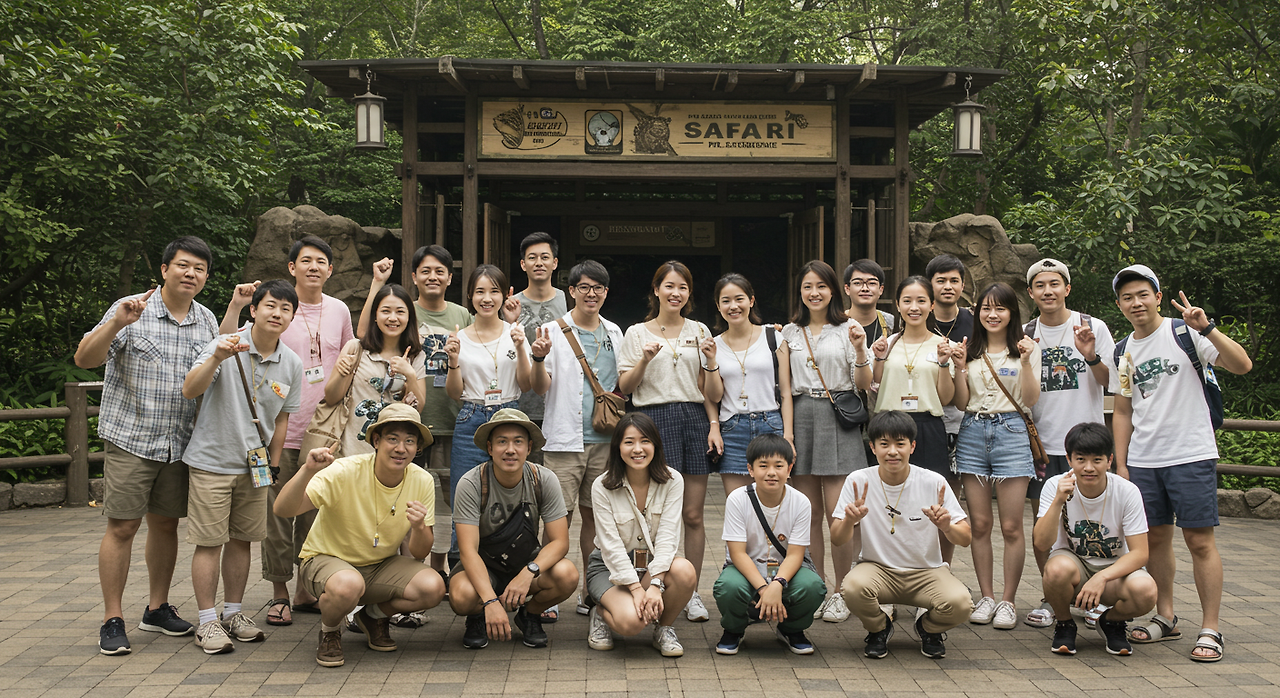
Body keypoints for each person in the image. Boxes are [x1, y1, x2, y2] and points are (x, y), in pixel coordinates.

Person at [75, 236, 221, 655]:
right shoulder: (131, 309)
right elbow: (85, 359)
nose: (191, 274)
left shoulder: (206, 320)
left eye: (199, 268)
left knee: (165, 524)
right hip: (132, 438)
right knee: (122, 526)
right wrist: (116, 324)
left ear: (206, 277)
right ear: (164, 269)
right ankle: (112, 618)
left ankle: (157, 608)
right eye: (183, 265)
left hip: (180, 443)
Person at [1111, 264, 1252, 662]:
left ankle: (1210, 628)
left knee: (1199, 541)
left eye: (1143, 294)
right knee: (1154, 539)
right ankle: (1166, 616)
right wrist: (1122, 464)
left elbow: (1242, 365)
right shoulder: (1122, 349)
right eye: (1127, 297)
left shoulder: (1186, 332)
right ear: (1119, 305)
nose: (1136, 303)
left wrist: (1207, 328)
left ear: (1158, 297)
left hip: (1191, 453)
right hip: (1144, 459)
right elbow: (1122, 410)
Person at [219, 236, 355, 626]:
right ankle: (279, 592)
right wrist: (236, 306)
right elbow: (227, 342)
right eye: (306, 260)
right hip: (276, 431)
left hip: (324, 431)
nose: (314, 267)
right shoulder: (277, 307)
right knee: (276, 517)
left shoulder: (339, 310)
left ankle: (306, 590)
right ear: (292, 267)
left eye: (321, 261)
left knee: (316, 515)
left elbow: (352, 356)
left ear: (331, 270)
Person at [180, 280, 304, 654]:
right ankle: (207, 621)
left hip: (255, 467)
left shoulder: (292, 363)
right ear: (254, 310)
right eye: (270, 305)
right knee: (209, 542)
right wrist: (216, 357)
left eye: (285, 308)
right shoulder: (226, 344)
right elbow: (190, 389)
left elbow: (282, 419)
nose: (277, 313)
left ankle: (233, 613)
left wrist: (274, 465)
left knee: (242, 540)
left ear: (292, 317)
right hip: (213, 462)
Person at [274, 404, 447, 667]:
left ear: (417, 448)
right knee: (348, 585)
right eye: (392, 439)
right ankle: (330, 631)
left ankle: (372, 616)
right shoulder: (345, 470)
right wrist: (307, 470)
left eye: (410, 441)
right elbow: (283, 510)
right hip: (326, 560)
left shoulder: (421, 479)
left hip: (379, 565)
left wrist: (419, 527)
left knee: (433, 587)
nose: (401, 448)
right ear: (376, 441)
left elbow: (420, 552)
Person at [617, 260, 716, 622]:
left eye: (683, 287)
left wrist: (713, 424)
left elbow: (707, 387)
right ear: (656, 290)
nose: (676, 293)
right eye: (669, 286)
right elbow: (625, 387)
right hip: (654, 420)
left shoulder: (700, 330)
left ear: (689, 293)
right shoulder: (636, 333)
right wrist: (644, 361)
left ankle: (691, 592)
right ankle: (656, 585)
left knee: (692, 514)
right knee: (659, 515)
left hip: (694, 418)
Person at [830, 411, 973, 659]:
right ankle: (879, 628)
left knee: (961, 604)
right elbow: (836, 538)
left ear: (912, 446)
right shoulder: (859, 480)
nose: (892, 452)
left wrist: (947, 527)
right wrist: (850, 522)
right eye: (884, 444)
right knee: (851, 587)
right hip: (878, 570)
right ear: (873, 448)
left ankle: (928, 629)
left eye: (900, 444)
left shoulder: (933, 482)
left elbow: (966, 538)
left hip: (926, 572)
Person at [1021, 258, 1117, 628]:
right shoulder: (1026, 333)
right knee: (1044, 526)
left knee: (1093, 523)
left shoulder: (1093, 326)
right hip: (1042, 447)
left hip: (1086, 448)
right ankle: (1052, 596)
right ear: (1031, 293)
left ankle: (1094, 598)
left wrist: (1090, 355)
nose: (1048, 291)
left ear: (1067, 288)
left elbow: (1111, 382)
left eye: (1054, 284)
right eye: (1040, 285)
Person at [529, 259, 624, 618]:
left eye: (598, 287)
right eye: (584, 287)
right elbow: (541, 388)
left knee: (596, 521)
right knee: (558, 520)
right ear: (571, 291)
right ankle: (547, 591)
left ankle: (591, 591)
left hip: (605, 441)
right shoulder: (552, 331)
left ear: (606, 292)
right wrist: (538, 359)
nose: (591, 294)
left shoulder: (615, 332)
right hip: (564, 441)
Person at [781, 260, 872, 623]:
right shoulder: (789, 332)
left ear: (833, 290)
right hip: (802, 414)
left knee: (841, 513)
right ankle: (816, 587)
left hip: (839, 416)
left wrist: (861, 350)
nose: (814, 292)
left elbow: (863, 384)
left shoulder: (849, 328)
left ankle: (843, 589)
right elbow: (785, 390)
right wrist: (788, 436)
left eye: (821, 286)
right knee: (808, 513)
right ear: (799, 292)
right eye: (807, 286)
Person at [447, 409, 579, 649]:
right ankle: (477, 616)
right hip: (484, 564)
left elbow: (560, 542)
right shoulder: (471, 483)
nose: (510, 449)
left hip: (524, 561)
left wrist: (529, 573)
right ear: (489, 448)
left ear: (529, 448)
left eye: (518, 442)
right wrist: (490, 601)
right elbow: (467, 551)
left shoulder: (543, 479)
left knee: (567, 574)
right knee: (461, 595)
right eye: (502, 442)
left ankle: (530, 614)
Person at [951, 282, 1040, 630]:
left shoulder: (1025, 349)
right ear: (977, 313)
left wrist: (1027, 361)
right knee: (980, 524)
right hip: (973, 430)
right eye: (986, 308)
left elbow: (1030, 400)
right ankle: (986, 596)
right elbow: (961, 403)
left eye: (1000, 308)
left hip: (1012, 431)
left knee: (1011, 526)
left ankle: (1008, 600)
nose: (992, 314)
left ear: (1012, 313)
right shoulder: (970, 351)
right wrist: (960, 367)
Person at [1033, 422, 1156, 656]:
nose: (1088, 468)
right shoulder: (1055, 485)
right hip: (1073, 566)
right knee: (1055, 570)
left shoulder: (1127, 491)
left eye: (1097, 460)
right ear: (1069, 459)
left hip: (1114, 573)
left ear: (1109, 461)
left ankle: (1111, 622)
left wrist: (1102, 577)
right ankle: (1065, 623)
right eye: (1080, 459)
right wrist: (1058, 500)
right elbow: (1041, 543)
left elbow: (1140, 553)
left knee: (1146, 590)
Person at [586, 413, 697, 655]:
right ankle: (600, 612)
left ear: (655, 445)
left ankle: (664, 628)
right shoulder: (602, 485)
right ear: (618, 447)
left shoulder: (673, 480)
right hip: (609, 568)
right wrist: (636, 590)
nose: (638, 449)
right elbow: (610, 547)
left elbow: (668, 538)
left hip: (652, 566)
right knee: (631, 624)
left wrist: (655, 584)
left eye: (645, 441)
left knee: (685, 571)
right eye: (629, 442)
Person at [712, 433, 826, 655]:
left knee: (813, 586)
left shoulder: (801, 502)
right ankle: (734, 630)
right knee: (728, 587)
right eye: (763, 465)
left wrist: (778, 584)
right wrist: (764, 588)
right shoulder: (737, 499)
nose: (771, 472)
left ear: (789, 469)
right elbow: (737, 553)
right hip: (746, 569)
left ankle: (792, 629)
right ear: (751, 469)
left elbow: (795, 554)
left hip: (786, 570)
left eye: (778, 465)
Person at [869, 276, 957, 562]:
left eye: (921, 301)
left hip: (928, 428)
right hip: (888, 427)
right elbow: (874, 384)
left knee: (934, 503)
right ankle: (889, 568)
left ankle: (938, 568)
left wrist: (943, 363)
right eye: (907, 301)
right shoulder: (886, 344)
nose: (914, 307)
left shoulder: (944, 345)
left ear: (932, 305)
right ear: (897, 305)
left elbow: (947, 398)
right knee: (888, 503)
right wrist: (879, 358)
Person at [446, 264, 533, 506]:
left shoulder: (515, 333)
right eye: (480, 292)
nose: (487, 299)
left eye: (494, 291)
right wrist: (453, 361)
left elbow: (526, 385)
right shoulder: (459, 338)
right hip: (471, 417)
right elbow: (454, 393)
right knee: (464, 495)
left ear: (505, 295)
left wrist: (520, 347)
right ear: (470, 295)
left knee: (510, 496)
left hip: (509, 414)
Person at [704, 273, 793, 495]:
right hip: (732, 428)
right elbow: (713, 397)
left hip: (771, 424)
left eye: (739, 299)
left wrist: (788, 437)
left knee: (773, 503)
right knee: (737, 503)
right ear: (718, 306)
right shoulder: (713, 346)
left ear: (751, 301)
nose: (733, 306)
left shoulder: (773, 337)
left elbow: (786, 393)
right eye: (726, 301)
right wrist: (712, 361)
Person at [327, 284, 426, 457]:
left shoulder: (416, 356)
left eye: (400, 312)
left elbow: (417, 410)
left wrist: (410, 375)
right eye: (386, 311)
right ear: (375, 315)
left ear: (409, 316)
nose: (393, 318)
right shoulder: (355, 348)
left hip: (394, 455)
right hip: (351, 452)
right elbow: (331, 397)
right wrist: (342, 373)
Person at [514, 232, 568, 429]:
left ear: (554, 263)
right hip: (519, 402)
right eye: (532, 258)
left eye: (545, 257)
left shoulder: (569, 301)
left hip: (560, 399)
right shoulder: (512, 305)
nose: (539, 263)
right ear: (523, 264)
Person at [926, 254, 974, 467]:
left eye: (954, 281)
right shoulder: (917, 319)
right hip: (926, 412)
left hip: (965, 415)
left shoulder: (976, 321)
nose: (948, 286)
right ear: (929, 285)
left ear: (962, 286)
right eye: (941, 280)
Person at [843, 258, 896, 345]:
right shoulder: (836, 323)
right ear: (847, 289)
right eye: (858, 283)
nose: (865, 288)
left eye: (871, 283)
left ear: (881, 289)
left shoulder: (891, 324)